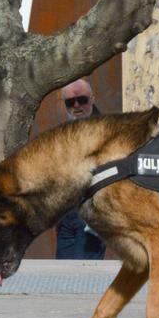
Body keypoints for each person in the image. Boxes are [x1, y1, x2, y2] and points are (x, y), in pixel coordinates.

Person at [55, 79, 107, 260]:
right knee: (62, 277)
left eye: (82, 100)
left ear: (92, 99)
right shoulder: (65, 133)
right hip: (66, 218)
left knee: (83, 277)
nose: (76, 106)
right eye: (70, 102)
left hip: (91, 217)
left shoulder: (105, 130)